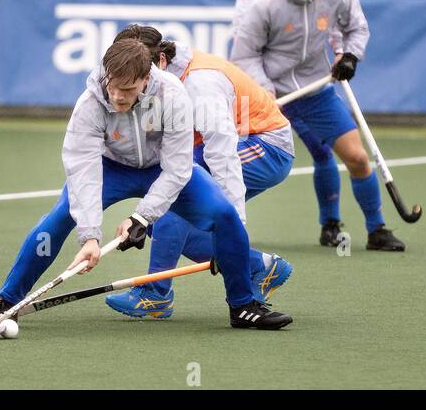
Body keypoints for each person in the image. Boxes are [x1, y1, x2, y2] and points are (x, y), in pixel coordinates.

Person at [0, 39, 293, 330]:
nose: (116, 96)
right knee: (59, 217)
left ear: (146, 79)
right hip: (110, 167)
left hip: (160, 167)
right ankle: (9, 299)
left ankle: (243, 305)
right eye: (112, 86)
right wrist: (90, 236)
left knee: (225, 215)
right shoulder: (90, 104)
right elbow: (81, 170)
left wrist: (143, 217)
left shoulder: (172, 95)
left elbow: (179, 168)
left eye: (127, 89)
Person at [102, 25, 295, 319]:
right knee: (165, 212)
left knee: (174, 200)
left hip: (264, 143)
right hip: (209, 145)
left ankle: (155, 295)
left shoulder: (200, 83)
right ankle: (259, 266)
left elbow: (223, 154)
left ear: (161, 62)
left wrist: (233, 224)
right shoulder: (155, 76)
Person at [231, 0, 405, 252]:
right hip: (270, 96)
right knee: (236, 164)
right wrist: (264, 90)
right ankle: (224, 227)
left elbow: (357, 28)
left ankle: (376, 229)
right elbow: (244, 55)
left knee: (357, 157)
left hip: (316, 90)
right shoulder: (265, 2)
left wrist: (350, 55)